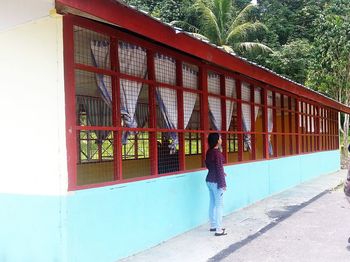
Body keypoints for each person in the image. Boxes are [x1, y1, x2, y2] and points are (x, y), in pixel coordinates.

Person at [205, 133, 227, 236]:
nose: (221, 139)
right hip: (216, 182)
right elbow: (219, 168)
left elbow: (209, 165)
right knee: (219, 206)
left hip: (209, 180)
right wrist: (223, 184)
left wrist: (221, 173)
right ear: (217, 140)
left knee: (212, 203)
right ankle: (219, 230)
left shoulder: (209, 152)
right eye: (220, 138)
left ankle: (213, 225)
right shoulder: (217, 153)